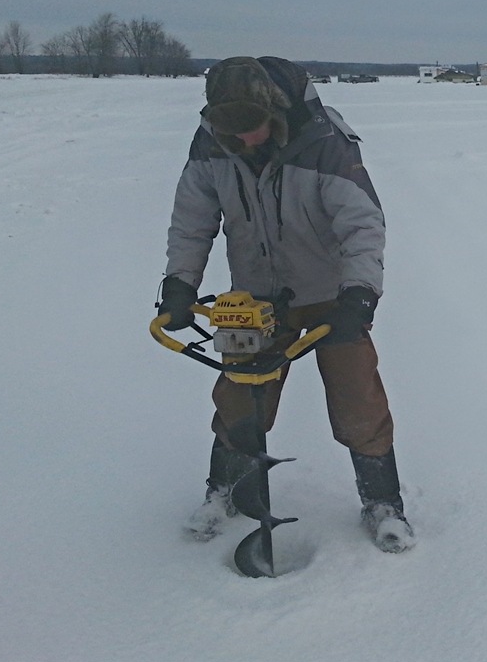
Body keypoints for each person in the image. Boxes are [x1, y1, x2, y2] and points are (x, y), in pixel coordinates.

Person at [156, 56, 414, 553]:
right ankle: (224, 492)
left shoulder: (323, 143)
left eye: (252, 129)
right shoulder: (211, 143)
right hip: (254, 297)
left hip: (331, 300)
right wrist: (179, 285)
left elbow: (362, 225)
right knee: (238, 400)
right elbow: (192, 220)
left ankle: (383, 502)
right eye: (231, 132)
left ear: (274, 112)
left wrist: (358, 296)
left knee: (358, 398)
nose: (244, 142)